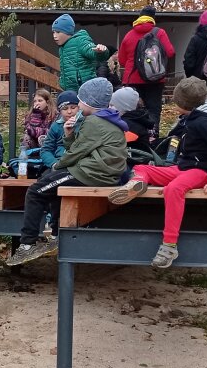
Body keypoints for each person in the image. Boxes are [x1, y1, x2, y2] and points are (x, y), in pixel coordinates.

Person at [109, 77, 207, 268]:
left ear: (184, 104)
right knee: (141, 168)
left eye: (176, 101)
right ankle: (136, 183)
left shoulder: (205, 122)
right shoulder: (192, 118)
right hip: (185, 167)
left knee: (173, 189)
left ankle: (169, 245)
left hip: (202, 171)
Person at [9, 78, 129, 265]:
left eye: (80, 101)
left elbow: (75, 153)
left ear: (90, 102)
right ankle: (55, 236)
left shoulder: (94, 122)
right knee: (54, 186)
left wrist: (57, 166)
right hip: (102, 172)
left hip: (92, 173)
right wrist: (68, 135)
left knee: (35, 191)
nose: (78, 105)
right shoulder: (108, 119)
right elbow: (81, 148)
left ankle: (27, 244)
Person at [118, 6, 175, 135]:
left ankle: (134, 138)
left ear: (139, 17)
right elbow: (170, 52)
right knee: (153, 110)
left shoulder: (129, 35)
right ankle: (152, 137)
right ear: (153, 18)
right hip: (154, 78)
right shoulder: (159, 33)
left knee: (132, 110)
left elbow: (122, 60)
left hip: (132, 79)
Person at [52, 14, 110, 93]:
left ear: (67, 31)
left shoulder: (80, 41)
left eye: (58, 32)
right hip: (70, 89)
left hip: (84, 89)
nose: (54, 36)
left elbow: (91, 51)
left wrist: (101, 51)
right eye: (53, 32)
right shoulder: (63, 47)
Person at [38, 91, 79, 169]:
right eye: (65, 108)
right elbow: (46, 149)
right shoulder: (56, 126)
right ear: (60, 111)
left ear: (79, 108)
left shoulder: (84, 123)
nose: (69, 111)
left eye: (73, 107)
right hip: (59, 162)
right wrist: (54, 164)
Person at [112, 86, 154, 156]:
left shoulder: (126, 125)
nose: (109, 108)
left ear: (122, 107)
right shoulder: (139, 118)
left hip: (133, 159)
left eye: (112, 105)